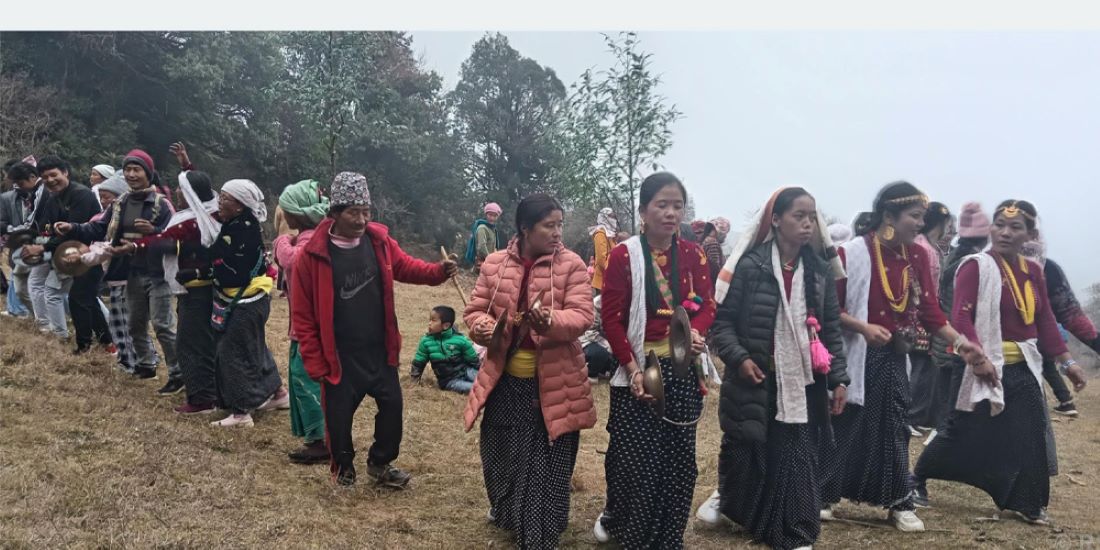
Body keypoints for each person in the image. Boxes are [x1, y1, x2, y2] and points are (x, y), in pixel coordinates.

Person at [821, 181, 985, 532]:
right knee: (848, 424)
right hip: (857, 356)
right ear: (888, 216)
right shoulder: (852, 252)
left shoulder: (919, 255)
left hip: (895, 357)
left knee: (894, 427)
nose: (919, 224)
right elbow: (829, 310)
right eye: (914, 216)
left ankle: (898, 501)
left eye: (922, 217)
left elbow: (930, 311)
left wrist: (961, 344)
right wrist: (862, 327)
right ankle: (826, 494)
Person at [913, 200, 1087, 526]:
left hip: (1023, 367)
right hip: (980, 365)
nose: (1005, 233)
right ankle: (916, 479)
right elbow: (960, 316)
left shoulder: (1033, 271)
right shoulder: (975, 265)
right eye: (999, 225)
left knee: (1031, 433)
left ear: (1030, 234)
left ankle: (1028, 502)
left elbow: (1046, 323)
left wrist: (1067, 363)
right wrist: (977, 357)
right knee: (960, 430)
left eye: (1015, 227)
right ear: (991, 228)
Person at [699, 187, 849, 550]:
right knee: (746, 449)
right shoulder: (752, 267)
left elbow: (830, 327)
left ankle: (796, 530)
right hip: (757, 377)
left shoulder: (816, 271)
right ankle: (740, 507)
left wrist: (839, 379)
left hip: (802, 381)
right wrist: (741, 359)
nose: (807, 223)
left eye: (812, 216)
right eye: (799, 215)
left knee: (795, 455)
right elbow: (723, 324)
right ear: (776, 220)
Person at [291, 171, 456, 487]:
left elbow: (406, 266)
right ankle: (344, 469)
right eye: (354, 212)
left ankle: (380, 463)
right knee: (338, 419)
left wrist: (437, 272)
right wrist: (314, 360)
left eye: (366, 211)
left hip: (379, 349)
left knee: (392, 408)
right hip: (339, 354)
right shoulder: (312, 255)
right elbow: (303, 315)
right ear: (336, 212)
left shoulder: (378, 241)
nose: (362, 219)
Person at [463, 193, 595, 549]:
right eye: (548, 226)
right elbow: (475, 311)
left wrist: (551, 320)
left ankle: (536, 532)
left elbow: (583, 315)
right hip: (505, 378)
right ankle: (508, 511)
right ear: (525, 228)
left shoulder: (571, 265)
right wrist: (484, 327)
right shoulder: (495, 264)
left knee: (542, 459)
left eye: (560, 225)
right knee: (501, 448)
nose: (557, 233)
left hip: (552, 381)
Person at [594, 172, 716, 549]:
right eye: (661, 205)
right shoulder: (623, 255)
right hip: (640, 369)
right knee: (632, 461)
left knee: (678, 461)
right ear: (644, 210)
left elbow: (708, 304)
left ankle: (666, 537)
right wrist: (632, 370)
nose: (670, 213)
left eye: (677, 205)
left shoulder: (693, 254)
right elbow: (612, 319)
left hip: (683, 369)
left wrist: (694, 333)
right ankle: (627, 528)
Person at [55, 149, 180, 391]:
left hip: (158, 275)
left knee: (163, 325)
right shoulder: (120, 204)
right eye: (128, 170)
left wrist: (152, 232)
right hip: (130, 272)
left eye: (137, 170)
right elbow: (99, 228)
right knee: (135, 324)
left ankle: (178, 373)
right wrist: (72, 227)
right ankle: (146, 366)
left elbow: (174, 240)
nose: (132, 174)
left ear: (148, 173)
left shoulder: (161, 205)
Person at [130, 169, 221, 411]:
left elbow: (168, 242)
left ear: (190, 192)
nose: (177, 191)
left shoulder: (196, 221)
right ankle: (209, 393)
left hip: (197, 289)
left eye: (182, 187)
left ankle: (202, 398)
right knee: (199, 341)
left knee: (190, 343)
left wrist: (136, 244)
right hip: (189, 288)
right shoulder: (201, 214)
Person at [922, 202, 992, 448]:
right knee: (953, 395)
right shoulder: (974, 263)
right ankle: (945, 441)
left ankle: (944, 434)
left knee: (944, 389)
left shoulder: (951, 256)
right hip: (958, 336)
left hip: (946, 333)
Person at [22, 155, 109, 350]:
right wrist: (37, 241)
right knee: (85, 299)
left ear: (65, 172)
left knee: (80, 299)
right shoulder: (54, 199)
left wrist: (43, 247)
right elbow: (46, 227)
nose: (50, 181)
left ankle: (84, 345)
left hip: (90, 254)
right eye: (45, 178)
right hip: (69, 256)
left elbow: (74, 232)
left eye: (54, 175)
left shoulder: (82, 195)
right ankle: (106, 341)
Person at [273, 178, 330, 464]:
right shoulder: (312, 236)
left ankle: (320, 440)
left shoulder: (309, 240)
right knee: (299, 375)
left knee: (304, 377)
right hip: (304, 326)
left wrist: (282, 237)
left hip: (311, 327)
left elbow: (293, 261)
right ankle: (314, 436)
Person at [1021, 234, 1100, 417]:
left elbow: (1066, 315)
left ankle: (1064, 401)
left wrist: (1069, 360)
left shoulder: (1050, 271)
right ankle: (1064, 401)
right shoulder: (987, 266)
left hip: (1034, 347)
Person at [908, 202, 955, 433]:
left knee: (926, 366)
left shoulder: (931, 247)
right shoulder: (922, 248)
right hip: (919, 315)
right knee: (918, 366)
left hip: (929, 314)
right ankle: (909, 416)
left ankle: (918, 414)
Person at [1, 162, 40, 319]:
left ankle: (46, 318)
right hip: (20, 245)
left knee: (47, 286)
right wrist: (14, 231)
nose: (18, 186)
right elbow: (2, 222)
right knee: (20, 282)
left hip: (42, 244)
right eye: (15, 184)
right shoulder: (8, 198)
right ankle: (35, 315)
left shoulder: (43, 194)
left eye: (20, 183)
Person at [411, 306, 480, 394]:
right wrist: (414, 381)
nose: (429, 323)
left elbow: (473, 359)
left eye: (433, 320)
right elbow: (418, 362)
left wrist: (479, 371)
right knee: (476, 389)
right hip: (449, 381)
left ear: (446, 325)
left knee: (487, 382)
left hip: (466, 371)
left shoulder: (460, 340)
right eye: (429, 320)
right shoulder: (426, 342)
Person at [581, 294, 616, 381]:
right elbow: (591, 334)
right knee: (600, 354)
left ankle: (604, 370)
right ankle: (590, 373)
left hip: (602, 340)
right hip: (587, 340)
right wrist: (609, 346)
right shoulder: (595, 307)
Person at [466, 202, 503, 270]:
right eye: (490, 215)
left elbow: (494, 247)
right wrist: (490, 259)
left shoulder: (493, 229)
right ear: (486, 214)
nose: (492, 218)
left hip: (489, 263)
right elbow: (481, 247)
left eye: (495, 216)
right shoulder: (482, 228)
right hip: (482, 262)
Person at [589, 207, 618, 294]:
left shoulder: (610, 234)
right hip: (603, 280)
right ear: (604, 217)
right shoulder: (600, 234)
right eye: (611, 217)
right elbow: (601, 259)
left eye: (613, 217)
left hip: (611, 279)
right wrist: (614, 272)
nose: (613, 219)